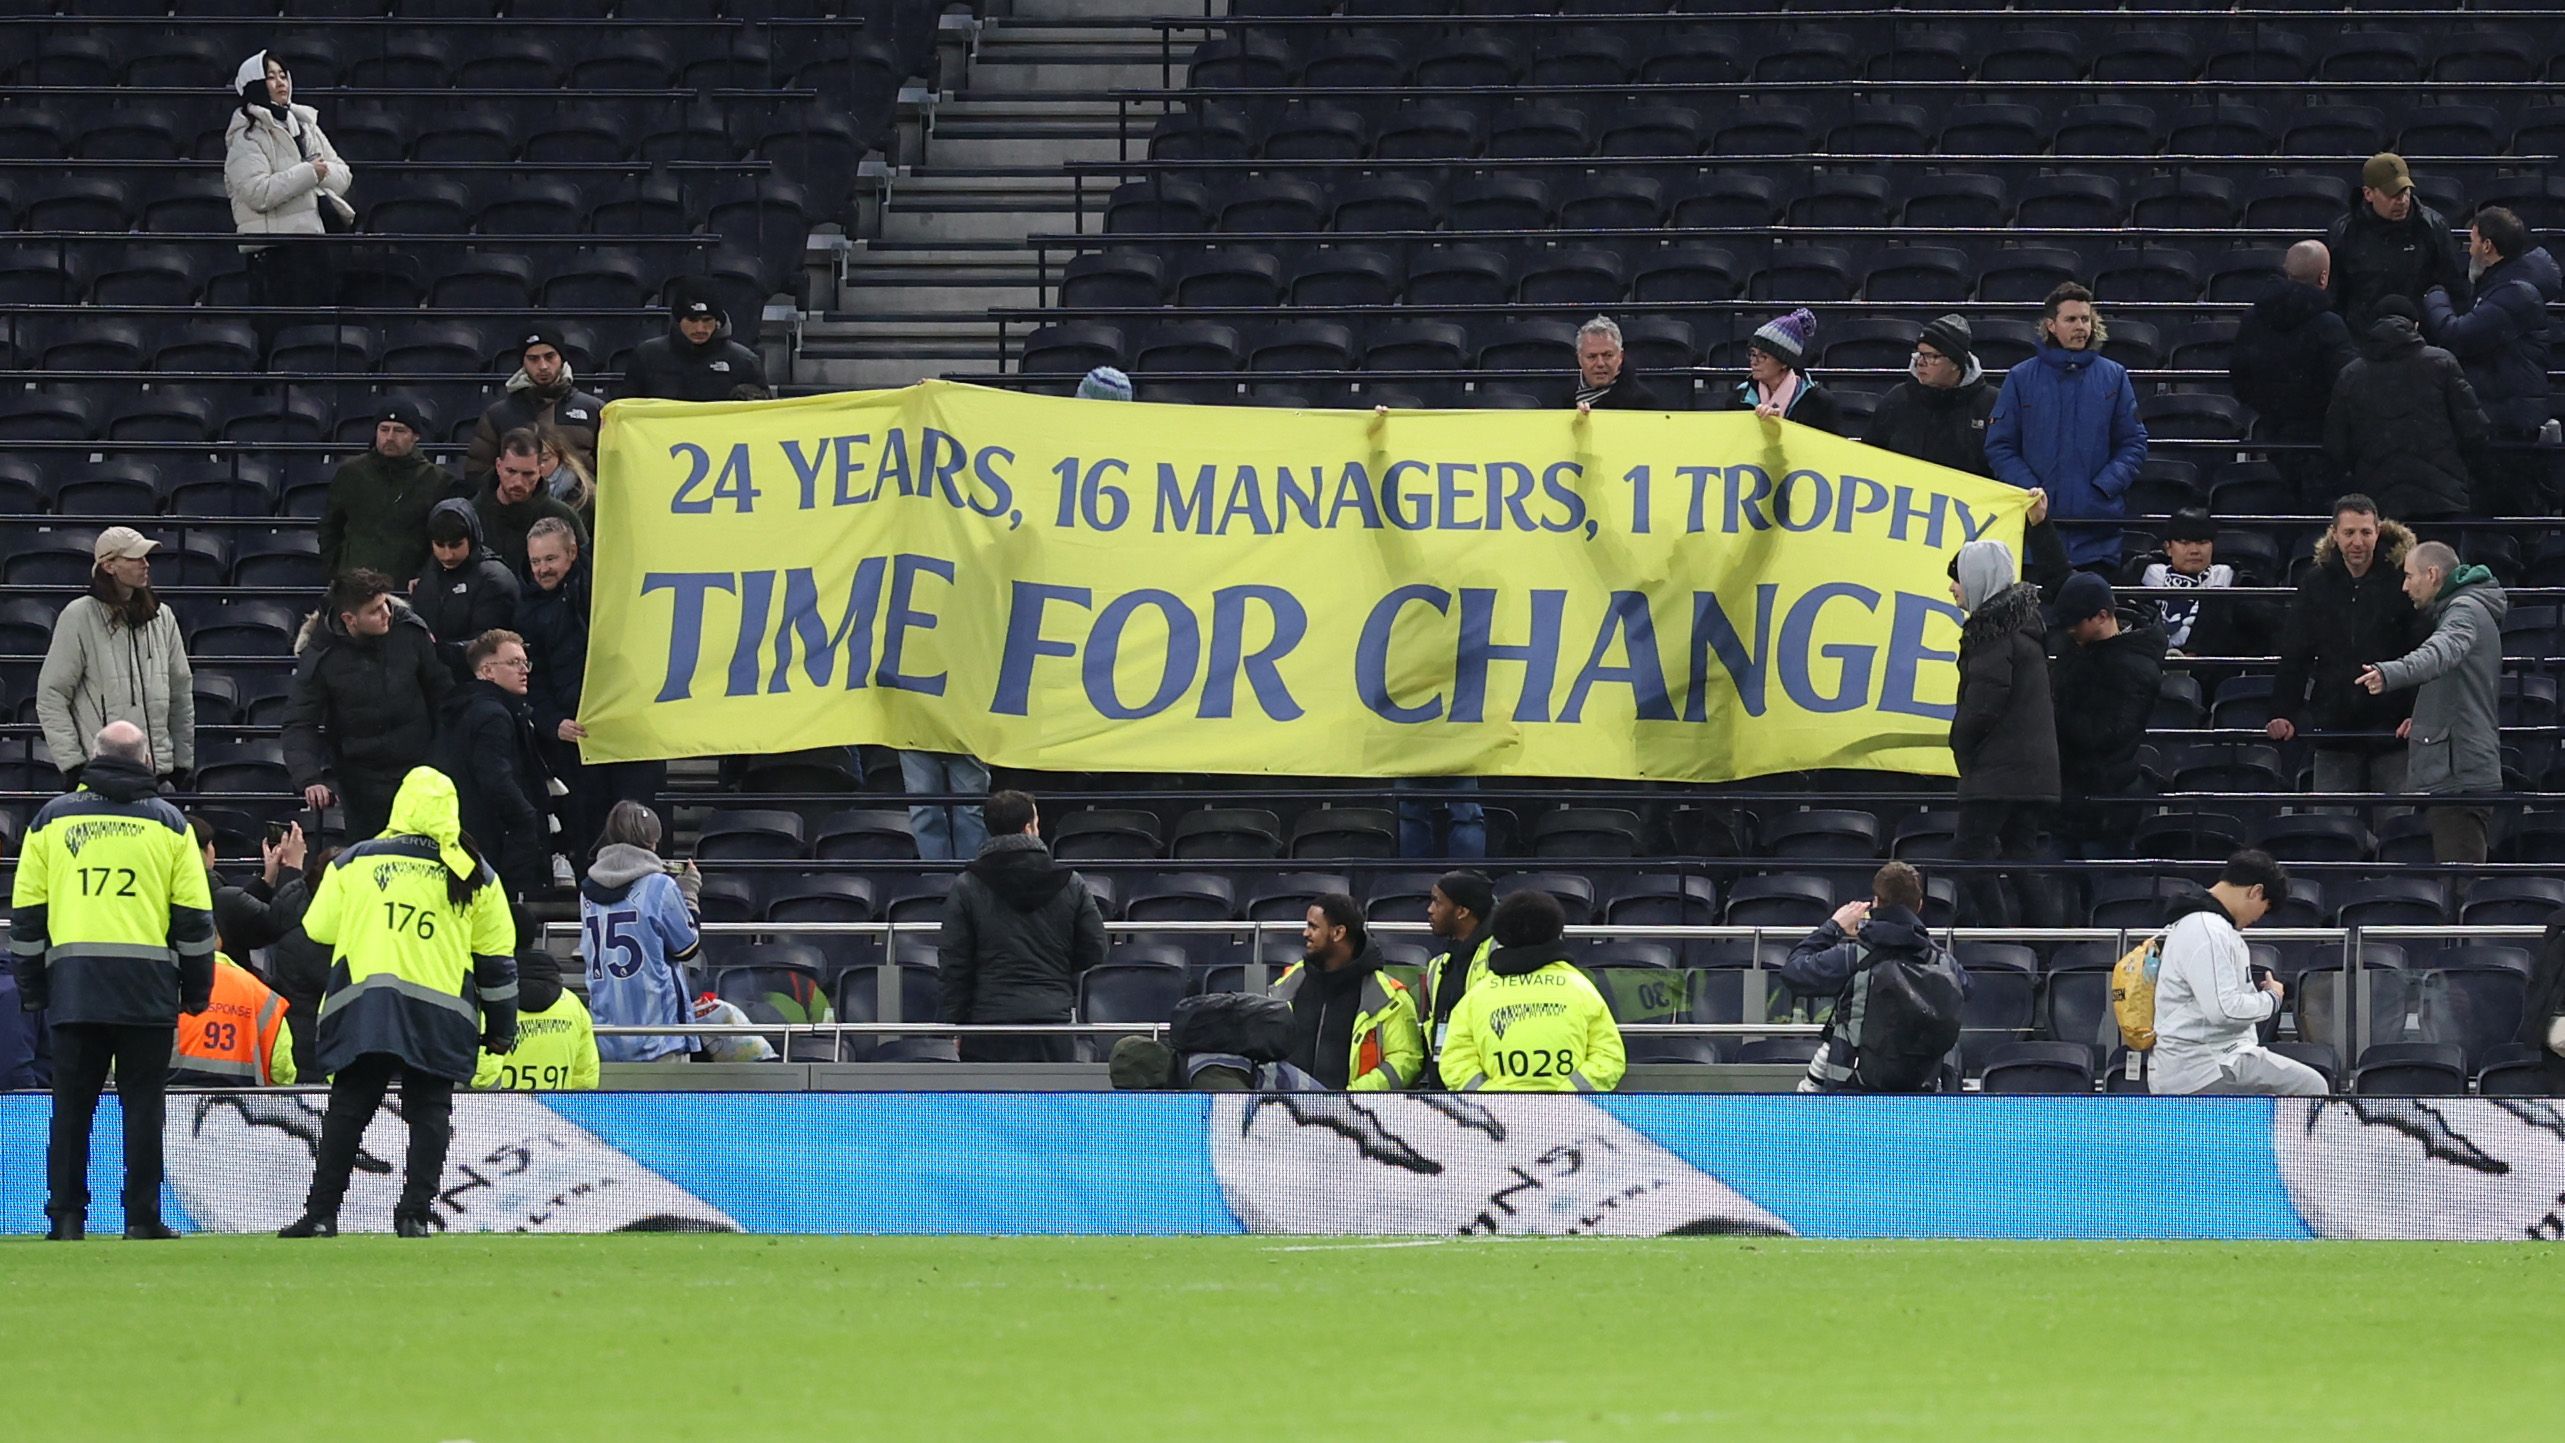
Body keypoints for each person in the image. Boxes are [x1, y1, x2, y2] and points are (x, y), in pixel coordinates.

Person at [280, 768, 516, 1238]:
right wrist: (502, 1029)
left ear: (400, 805)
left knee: (348, 1111)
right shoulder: (475, 871)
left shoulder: (354, 862)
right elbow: (497, 962)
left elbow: (317, 930)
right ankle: (414, 1215)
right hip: (439, 1013)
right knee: (430, 1114)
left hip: (366, 1009)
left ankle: (322, 1215)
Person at [10, 722, 215, 1240]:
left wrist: (34, 989)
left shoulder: (50, 821)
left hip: (74, 989)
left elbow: (28, 915)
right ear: (147, 761)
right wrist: (196, 992)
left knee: (72, 1109)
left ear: (92, 758)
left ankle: (66, 1218)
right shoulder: (171, 825)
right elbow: (194, 920)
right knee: (143, 1108)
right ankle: (142, 1218)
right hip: (146, 991)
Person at [519, 517, 660, 868]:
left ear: (571, 553)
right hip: (575, 743)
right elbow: (532, 683)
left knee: (638, 825)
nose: (542, 570)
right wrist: (554, 724)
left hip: (630, 733)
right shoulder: (526, 610)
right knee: (588, 834)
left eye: (550, 560)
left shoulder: (605, 587)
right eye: (535, 561)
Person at [2358, 540, 2510, 863]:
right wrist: (2426, 716)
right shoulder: (2462, 609)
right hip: (2461, 767)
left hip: (2460, 776)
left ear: (2431, 574)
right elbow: (2457, 686)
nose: (2404, 585)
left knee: (2458, 889)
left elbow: (2440, 653)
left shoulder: (2464, 612)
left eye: (2410, 576)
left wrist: (2390, 673)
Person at [2269, 496, 2427, 800]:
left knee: (2396, 827)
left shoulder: (2402, 582)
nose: (2358, 542)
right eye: (2349, 533)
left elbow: (2421, 650)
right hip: (2333, 725)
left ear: (2378, 531)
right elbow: (2295, 652)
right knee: (2329, 829)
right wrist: (2282, 711)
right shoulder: (2315, 583)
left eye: (2365, 533)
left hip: (2393, 726)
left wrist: (2416, 711)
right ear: (2334, 533)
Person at [1986, 282, 2148, 573]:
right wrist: (2031, 491)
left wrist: (2103, 487)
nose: (2080, 327)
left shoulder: (2114, 376)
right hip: (2034, 538)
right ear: (2051, 325)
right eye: (2071, 319)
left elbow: (2134, 442)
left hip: (2097, 536)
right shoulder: (2021, 378)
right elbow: (2000, 445)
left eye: (2086, 319)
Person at [937, 790, 1108, 1064]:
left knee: (991, 1106)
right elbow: (1095, 948)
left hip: (987, 1024)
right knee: (1050, 1106)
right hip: (1051, 1021)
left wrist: (958, 1023)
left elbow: (954, 962)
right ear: (1029, 828)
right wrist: (1057, 966)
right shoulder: (1071, 882)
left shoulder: (967, 885)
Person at [284, 569, 453, 843]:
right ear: (349, 619)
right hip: (361, 785)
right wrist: (309, 777)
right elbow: (299, 722)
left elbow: (442, 693)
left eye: (386, 603)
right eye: (375, 610)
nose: (387, 612)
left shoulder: (409, 632)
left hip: (422, 772)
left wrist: (442, 759)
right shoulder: (320, 657)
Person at [1780, 861, 1969, 1093]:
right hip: (1922, 1099)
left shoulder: (1856, 957)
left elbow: (1793, 971)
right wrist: (1919, 937)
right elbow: (1967, 989)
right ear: (1919, 906)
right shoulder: (1943, 963)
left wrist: (1834, 927)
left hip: (1854, 1101)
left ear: (1876, 904)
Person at [2149, 850, 2324, 1096]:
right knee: (2312, 1085)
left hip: (2203, 1060)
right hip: (2204, 1066)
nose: (2258, 917)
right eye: (2264, 907)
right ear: (2255, 892)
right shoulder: (2208, 930)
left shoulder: (2201, 925)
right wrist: (2272, 999)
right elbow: (2224, 1009)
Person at [1948, 539, 2058, 928]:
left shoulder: (1991, 634)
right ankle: (2044, 945)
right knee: (2020, 856)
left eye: (1957, 579)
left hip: (1999, 771)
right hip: (2030, 771)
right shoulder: (2024, 629)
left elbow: (1983, 704)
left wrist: (1959, 743)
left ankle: (1999, 937)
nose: (1952, 589)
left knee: (1969, 853)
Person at [2422, 205, 2561, 513]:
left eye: (2472, 240)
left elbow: (2456, 335)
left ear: (2487, 246)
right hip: (2500, 418)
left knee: (2509, 517)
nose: (2468, 249)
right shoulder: (2501, 285)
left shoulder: (2515, 294)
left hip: (2508, 426)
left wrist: (2434, 297)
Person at [36, 527, 194, 788]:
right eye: (134, 558)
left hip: (157, 776)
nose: (145, 564)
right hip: (97, 775)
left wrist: (181, 764)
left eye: (145, 557)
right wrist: (73, 764)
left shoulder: (162, 616)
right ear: (109, 566)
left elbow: (181, 692)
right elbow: (51, 695)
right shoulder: (78, 616)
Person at [1434, 890, 1625, 1093]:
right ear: (1555, 930)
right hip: (1570, 1118)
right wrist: (1569, 1095)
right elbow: (1608, 1055)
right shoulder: (1581, 988)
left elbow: (1455, 1060)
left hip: (1497, 1119)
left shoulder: (1476, 996)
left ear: (1501, 933)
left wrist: (1491, 1098)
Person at [2326, 295, 2488, 522]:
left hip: (2380, 499)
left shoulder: (2352, 374)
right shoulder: (2442, 363)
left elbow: (2337, 445)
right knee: (2439, 557)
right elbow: (2474, 429)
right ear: (2416, 325)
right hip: (2441, 497)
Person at [222, 50, 350, 315]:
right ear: (256, 84)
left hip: (314, 248)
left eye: (283, 75)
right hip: (275, 256)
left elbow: (342, 174)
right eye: (271, 77)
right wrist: (309, 173)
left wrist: (317, 173)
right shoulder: (246, 138)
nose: (281, 83)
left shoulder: (305, 124)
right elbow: (259, 193)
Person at [2229, 239, 2357, 502]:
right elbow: (2347, 384)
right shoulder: (2329, 325)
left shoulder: (2254, 319)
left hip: (2272, 435)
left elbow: (2240, 378)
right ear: (2324, 277)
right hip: (2320, 442)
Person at [2049, 572, 2166, 858]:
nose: (2069, 630)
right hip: (2072, 793)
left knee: (2099, 883)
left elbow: (2105, 735)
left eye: (2076, 623)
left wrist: (2049, 714)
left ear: (2101, 616)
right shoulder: (2082, 645)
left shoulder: (2135, 667)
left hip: (2107, 801)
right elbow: (2059, 573)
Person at [431, 630, 552, 899]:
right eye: (514, 663)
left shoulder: (464, 707)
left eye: (525, 663)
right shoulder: (494, 716)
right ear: (487, 671)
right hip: (493, 841)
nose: (524, 670)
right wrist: (526, 817)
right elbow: (495, 778)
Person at [580, 801, 704, 1064]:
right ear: (651, 842)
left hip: (605, 1034)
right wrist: (689, 894)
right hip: (658, 1035)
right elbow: (687, 947)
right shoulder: (660, 885)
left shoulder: (586, 892)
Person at [1269, 893, 1424, 1091]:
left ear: (1338, 933)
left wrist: (1351, 1099)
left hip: (1356, 1116)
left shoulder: (1389, 997)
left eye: (1313, 927)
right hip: (1288, 1113)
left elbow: (1405, 1059)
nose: (1305, 933)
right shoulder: (1291, 980)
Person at [212, 821, 330, 1077]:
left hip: (304, 1051)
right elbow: (275, 922)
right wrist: (291, 872)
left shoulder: (300, 938)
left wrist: (278, 877)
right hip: (320, 1056)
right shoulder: (313, 938)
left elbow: (272, 921)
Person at [318, 403, 459, 588]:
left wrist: (426, 578)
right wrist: (337, 571)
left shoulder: (437, 481)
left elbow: (442, 538)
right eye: (384, 429)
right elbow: (330, 526)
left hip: (407, 588)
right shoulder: (351, 473)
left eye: (399, 430)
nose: (390, 437)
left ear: (415, 436)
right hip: (355, 588)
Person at [2327, 152, 2470, 329]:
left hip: (2419, 338)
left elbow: (2453, 286)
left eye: (2404, 191)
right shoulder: (2345, 232)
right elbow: (2335, 295)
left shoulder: (2432, 227)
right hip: (2363, 340)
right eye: (2391, 194)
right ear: (2368, 194)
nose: (2401, 201)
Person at [474, 906, 596, 1091]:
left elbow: (482, 1078)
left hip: (497, 1115)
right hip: (553, 1117)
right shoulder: (573, 1005)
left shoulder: (487, 1005)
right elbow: (586, 1080)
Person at [465, 329, 603, 487]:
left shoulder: (593, 410)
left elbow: (611, 471)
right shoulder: (498, 414)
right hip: (517, 509)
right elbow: (477, 474)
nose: (543, 366)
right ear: (523, 363)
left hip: (583, 506)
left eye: (549, 356)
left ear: (562, 359)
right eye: (533, 359)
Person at [1863, 314, 1996, 475]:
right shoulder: (1897, 399)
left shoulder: (1991, 404)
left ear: (1956, 363)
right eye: (1919, 354)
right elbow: (1869, 458)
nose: (1920, 362)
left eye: (1932, 356)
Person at [2124, 508, 2264, 658]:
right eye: (2185, 543)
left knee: (2218, 598)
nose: (2194, 551)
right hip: (2151, 659)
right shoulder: (2146, 572)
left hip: (2209, 666)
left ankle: (2189, 661)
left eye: (2202, 542)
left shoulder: (2228, 576)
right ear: (2168, 548)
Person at [414, 496, 522, 684]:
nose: (447, 554)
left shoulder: (494, 579)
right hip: (433, 680)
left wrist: (434, 650)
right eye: (440, 545)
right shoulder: (431, 570)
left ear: (471, 539)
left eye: (456, 545)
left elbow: (489, 646)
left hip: (475, 685)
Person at [167, 946, 296, 1088]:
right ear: (218, 941)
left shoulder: (162, 985)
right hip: (243, 1105)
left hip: (169, 1102)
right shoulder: (260, 994)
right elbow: (281, 1070)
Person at [474, 428, 591, 579]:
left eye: (527, 474)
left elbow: (585, 575)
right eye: (511, 471)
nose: (518, 482)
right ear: (498, 466)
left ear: (540, 471)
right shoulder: (472, 516)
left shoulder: (564, 516)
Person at [620, 284, 768, 401]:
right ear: (678, 320)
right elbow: (625, 411)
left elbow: (764, 418)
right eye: (692, 320)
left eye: (707, 320)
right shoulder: (647, 356)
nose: (700, 328)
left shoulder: (744, 361)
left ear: (717, 321)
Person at [1417, 868, 1497, 1067]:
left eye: (1437, 902)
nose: (1430, 909)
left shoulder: (1498, 958)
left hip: (1481, 1088)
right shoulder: (1439, 964)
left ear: (1462, 911)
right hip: (1441, 1083)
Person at [1721, 307, 1842, 433]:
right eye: (1752, 353)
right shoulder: (1739, 398)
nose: (1754, 361)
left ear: (1784, 362)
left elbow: (1829, 448)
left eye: (1763, 356)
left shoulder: (1819, 403)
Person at [901, 751, 990, 863]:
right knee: (925, 811)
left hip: (918, 739)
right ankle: (940, 874)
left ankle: (968, 872)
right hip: (961, 739)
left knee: (924, 810)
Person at [1568, 314, 1660, 412]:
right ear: (1579, 358)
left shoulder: (1644, 403)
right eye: (1592, 357)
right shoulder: (1565, 398)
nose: (1600, 363)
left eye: (1608, 355)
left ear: (1620, 356)